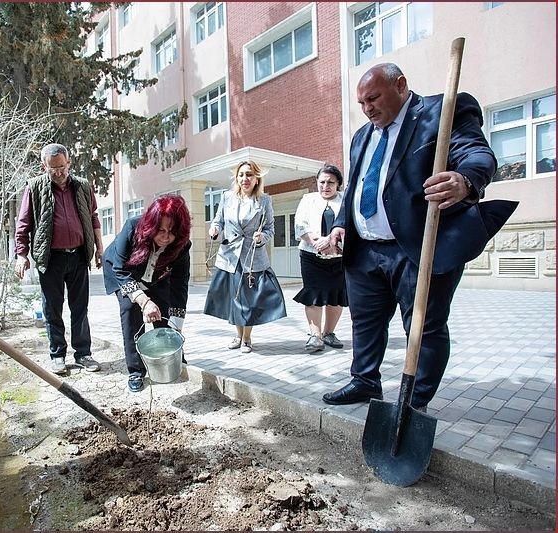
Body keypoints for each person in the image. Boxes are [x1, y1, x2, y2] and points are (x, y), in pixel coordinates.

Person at [322, 63, 517, 411]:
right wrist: (341, 223)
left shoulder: (441, 112)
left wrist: (466, 179)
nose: (367, 108)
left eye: (373, 98)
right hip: (365, 250)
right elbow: (356, 186)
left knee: (424, 327)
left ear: (400, 85)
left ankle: (415, 400)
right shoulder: (361, 136)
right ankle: (365, 381)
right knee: (365, 323)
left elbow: (476, 153)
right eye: (362, 102)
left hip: (417, 247)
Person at [14, 143, 104, 376]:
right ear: (44, 166)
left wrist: (99, 249)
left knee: (80, 308)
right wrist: (21, 255)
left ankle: (83, 353)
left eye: (62, 167)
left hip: (78, 256)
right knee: (52, 309)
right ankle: (58, 356)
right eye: (53, 168)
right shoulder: (34, 188)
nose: (58, 172)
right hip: (50, 259)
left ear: (69, 163)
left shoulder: (83, 186)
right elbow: (23, 224)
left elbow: (93, 218)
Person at [102, 195, 191, 392]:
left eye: (172, 232)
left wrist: (176, 328)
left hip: (157, 276)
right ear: (152, 226)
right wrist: (143, 300)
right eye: (161, 230)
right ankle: (136, 370)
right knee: (130, 310)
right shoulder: (132, 228)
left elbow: (179, 285)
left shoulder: (182, 246)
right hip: (123, 272)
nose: (166, 237)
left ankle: (171, 355)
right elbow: (119, 269)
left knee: (165, 311)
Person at [204, 160, 287, 353]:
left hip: (252, 257)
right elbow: (219, 221)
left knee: (248, 300)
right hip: (230, 256)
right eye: (241, 175)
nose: (245, 178)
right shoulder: (226, 197)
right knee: (235, 299)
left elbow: (270, 228)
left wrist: (262, 237)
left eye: (249, 174)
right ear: (236, 178)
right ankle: (238, 335)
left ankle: (247, 339)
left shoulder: (264, 200)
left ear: (256, 177)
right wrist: (214, 229)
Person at [293, 164, 349, 353]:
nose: (325, 186)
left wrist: (331, 242)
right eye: (322, 182)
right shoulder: (308, 199)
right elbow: (300, 225)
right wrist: (315, 242)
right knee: (314, 294)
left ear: (338, 184)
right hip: (311, 255)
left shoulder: (345, 201)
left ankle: (329, 333)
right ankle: (315, 336)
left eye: (330, 183)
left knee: (336, 295)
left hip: (338, 255)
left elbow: (350, 224)